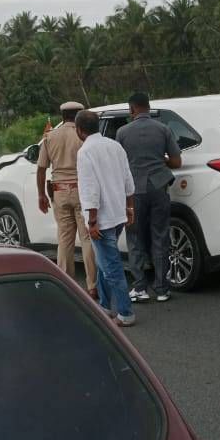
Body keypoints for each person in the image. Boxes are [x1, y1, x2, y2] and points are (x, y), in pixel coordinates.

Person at [117, 92, 182, 303]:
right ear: (148, 107)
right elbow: (176, 162)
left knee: (135, 238)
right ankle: (162, 289)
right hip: (158, 187)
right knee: (160, 236)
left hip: (134, 190)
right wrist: (160, 161)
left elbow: (120, 165)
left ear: (132, 109)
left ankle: (140, 288)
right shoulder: (163, 129)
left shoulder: (122, 132)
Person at [75, 110, 137, 326]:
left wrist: (92, 222)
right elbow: (128, 179)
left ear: (79, 130)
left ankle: (125, 313)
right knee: (103, 264)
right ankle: (102, 305)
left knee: (112, 268)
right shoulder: (115, 146)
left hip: (101, 219)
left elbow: (90, 189)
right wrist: (130, 208)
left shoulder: (85, 152)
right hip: (118, 214)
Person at [36, 101, 98, 299]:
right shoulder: (84, 136)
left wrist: (41, 195)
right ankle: (92, 285)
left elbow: (41, 168)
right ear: (79, 115)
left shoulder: (50, 136)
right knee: (87, 238)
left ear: (62, 116)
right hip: (82, 191)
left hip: (59, 192)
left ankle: (67, 285)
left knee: (64, 239)